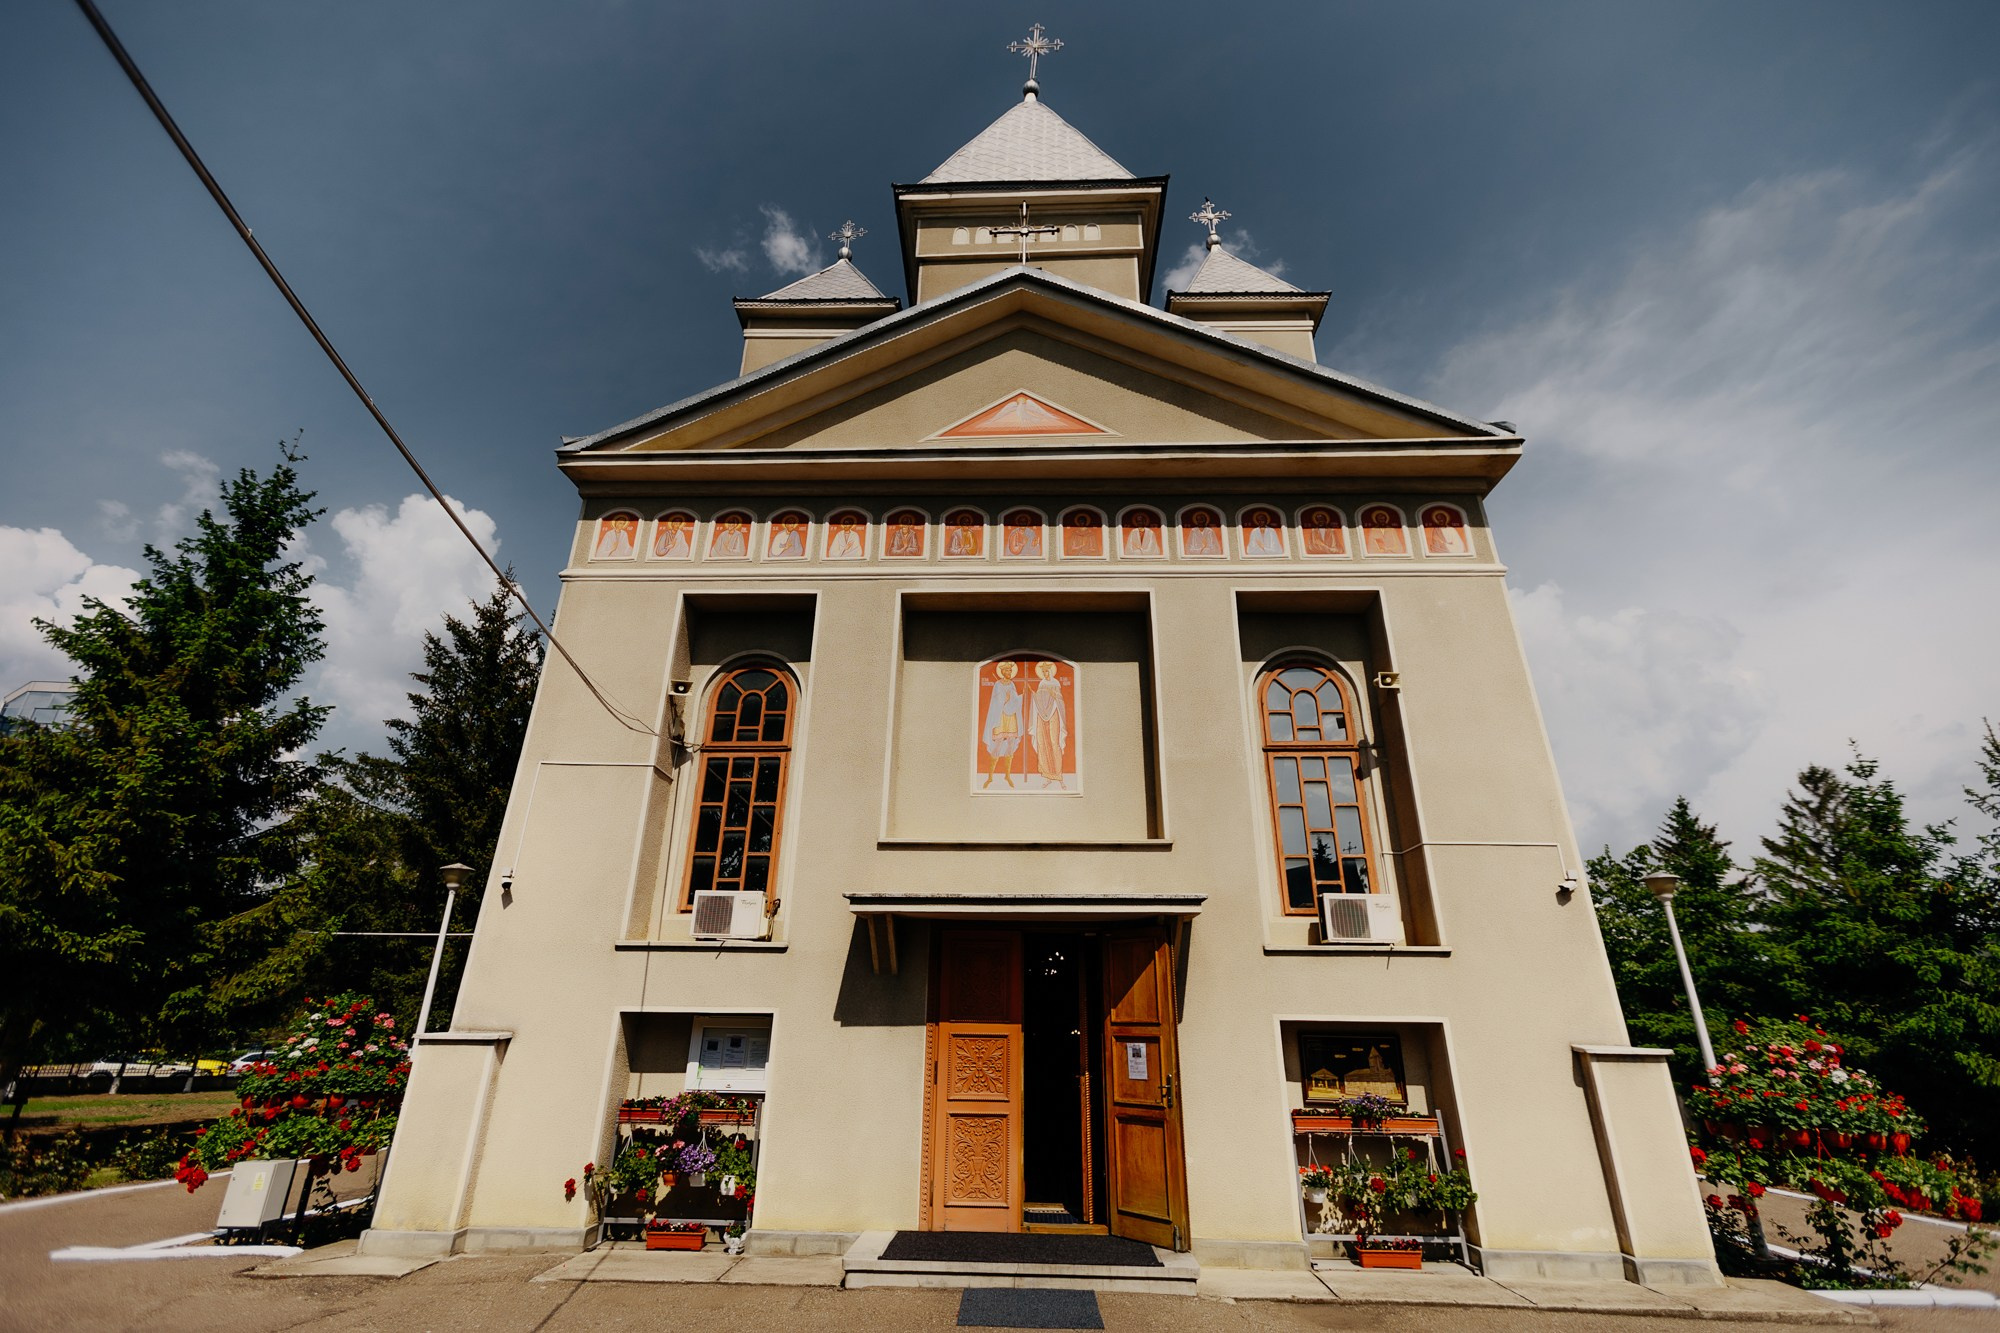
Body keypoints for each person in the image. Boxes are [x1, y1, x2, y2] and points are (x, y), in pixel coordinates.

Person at [979, 661, 1024, 789]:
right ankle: (990, 777)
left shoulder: (1012, 684)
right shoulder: (998, 684)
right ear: (1003, 672)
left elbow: (1014, 701)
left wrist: (1018, 697)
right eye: (1007, 670)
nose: (1009, 672)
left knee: (1011, 743)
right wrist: (1005, 698)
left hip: (1011, 718)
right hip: (1000, 718)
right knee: (997, 745)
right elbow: (996, 702)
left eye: (1010, 670)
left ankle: (1007, 775)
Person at [1028, 660, 1070, 790]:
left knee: (1054, 743)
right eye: (1043, 672)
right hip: (1041, 715)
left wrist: (1054, 695)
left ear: (1050, 672)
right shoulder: (1041, 684)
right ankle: (1047, 776)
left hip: (1053, 714)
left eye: (1047, 671)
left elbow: (1060, 700)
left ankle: (1059, 776)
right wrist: (1034, 694)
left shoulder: (1055, 683)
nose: (1045, 674)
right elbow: (1040, 699)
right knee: (1043, 743)